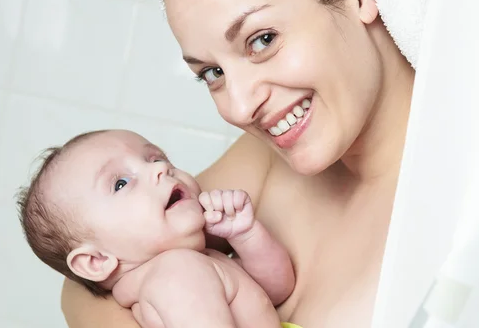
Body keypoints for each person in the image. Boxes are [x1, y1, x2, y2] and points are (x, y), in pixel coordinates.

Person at [61, 0, 417, 327]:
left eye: (262, 40)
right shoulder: (264, 162)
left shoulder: (464, 206)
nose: (240, 107)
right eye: (212, 73)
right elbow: (87, 273)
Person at [18, 129, 295, 328]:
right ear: (97, 260)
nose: (160, 168)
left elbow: (275, 292)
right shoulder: (177, 273)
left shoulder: (188, 263)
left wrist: (246, 235)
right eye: (120, 183)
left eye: (154, 158)